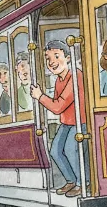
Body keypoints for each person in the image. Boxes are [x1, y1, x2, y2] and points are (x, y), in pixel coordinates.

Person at [31, 40, 88, 197]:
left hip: (80, 123)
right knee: (55, 151)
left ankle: (83, 182)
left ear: (68, 58)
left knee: (70, 149)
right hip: (67, 123)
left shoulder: (76, 76)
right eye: (48, 58)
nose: (52, 62)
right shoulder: (58, 80)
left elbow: (58, 106)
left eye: (56, 56)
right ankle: (71, 180)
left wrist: (40, 96)